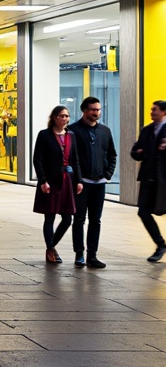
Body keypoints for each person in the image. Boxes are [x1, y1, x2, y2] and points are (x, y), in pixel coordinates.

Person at [69, 96, 117, 269]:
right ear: (84, 110)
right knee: (79, 219)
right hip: (81, 184)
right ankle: (79, 254)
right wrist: (78, 179)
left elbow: (112, 154)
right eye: (92, 109)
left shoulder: (105, 131)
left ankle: (92, 255)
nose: (96, 112)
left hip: (99, 184)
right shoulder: (73, 131)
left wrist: (108, 174)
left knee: (96, 220)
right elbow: (71, 158)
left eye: (98, 109)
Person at [32, 106, 82, 264]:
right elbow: (37, 159)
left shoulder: (71, 135)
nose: (65, 119)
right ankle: (50, 249)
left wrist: (79, 180)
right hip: (51, 181)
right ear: (54, 117)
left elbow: (76, 159)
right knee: (50, 216)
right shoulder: (44, 135)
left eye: (67, 116)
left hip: (68, 180)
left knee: (68, 218)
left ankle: (51, 246)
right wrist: (42, 180)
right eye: (62, 116)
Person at [131, 100, 166, 263]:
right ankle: (160, 244)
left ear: (164, 112)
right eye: (151, 109)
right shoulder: (146, 130)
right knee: (143, 212)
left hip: (164, 179)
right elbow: (135, 151)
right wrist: (138, 152)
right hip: (148, 178)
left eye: (155, 110)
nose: (152, 112)